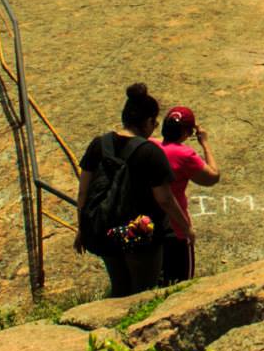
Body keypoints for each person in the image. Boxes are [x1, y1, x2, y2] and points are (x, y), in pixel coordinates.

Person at [77, 84, 188, 299]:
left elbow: (83, 193)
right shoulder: (150, 152)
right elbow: (164, 199)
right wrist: (185, 228)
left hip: (105, 230)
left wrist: (83, 227)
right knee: (143, 294)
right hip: (139, 232)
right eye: (154, 123)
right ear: (147, 122)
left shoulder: (99, 144)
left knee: (119, 289)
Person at [156, 105, 220, 285]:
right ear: (186, 132)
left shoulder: (150, 145)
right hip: (176, 228)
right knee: (181, 284)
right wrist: (205, 143)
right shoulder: (185, 155)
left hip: (150, 225)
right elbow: (212, 177)